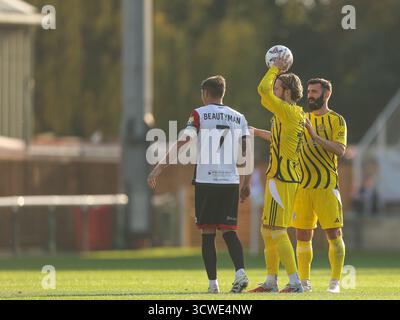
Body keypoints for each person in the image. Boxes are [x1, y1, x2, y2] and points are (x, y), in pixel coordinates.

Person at [148, 75, 251, 294]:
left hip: (207, 180)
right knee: (230, 231)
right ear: (222, 93)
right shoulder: (239, 117)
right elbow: (246, 153)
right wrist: (246, 183)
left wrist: (159, 167)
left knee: (207, 233)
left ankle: (213, 285)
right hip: (230, 181)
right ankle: (240, 271)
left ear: (205, 93)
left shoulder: (199, 114)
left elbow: (184, 141)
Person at [249, 53, 306, 293]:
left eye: (278, 87)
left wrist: (274, 69)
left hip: (282, 178)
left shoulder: (288, 111)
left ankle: (294, 282)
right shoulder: (290, 114)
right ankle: (271, 281)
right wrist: (256, 131)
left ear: (287, 91)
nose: (274, 89)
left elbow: (262, 89)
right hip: (281, 177)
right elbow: (277, 138)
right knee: (267, 229)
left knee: (277, 230)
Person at [291, 78, 347, 293]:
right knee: (302, 236)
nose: (310, 95)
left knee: (334, 233)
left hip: (326, 186)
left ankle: (335, 282)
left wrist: (314, 136)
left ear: (327, 94)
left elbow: (340, 150)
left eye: (314, 91)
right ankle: (304, 282)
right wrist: (258, 132)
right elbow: (284, 140)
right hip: (302, 188)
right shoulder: (302, 118)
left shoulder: (337, 120)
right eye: (308, 91)